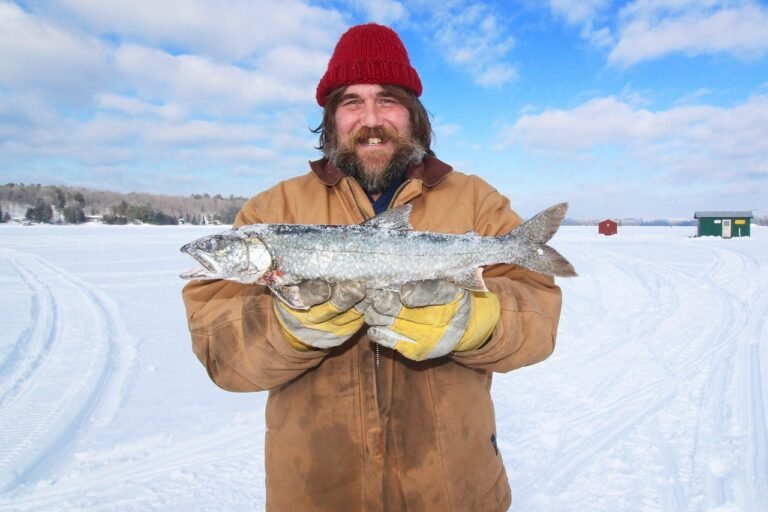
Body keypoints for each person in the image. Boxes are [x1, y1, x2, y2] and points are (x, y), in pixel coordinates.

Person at [182, 22, 562, 512]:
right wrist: (287, 328)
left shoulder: (475, 200)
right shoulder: (269, 211)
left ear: (413, 115)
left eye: (387, 100)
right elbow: (221, 354)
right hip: (315, 491)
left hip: (453, 491)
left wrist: (476, 321)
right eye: (352, 102)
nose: (371, 118)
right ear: (331, 119)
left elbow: (539, 319)